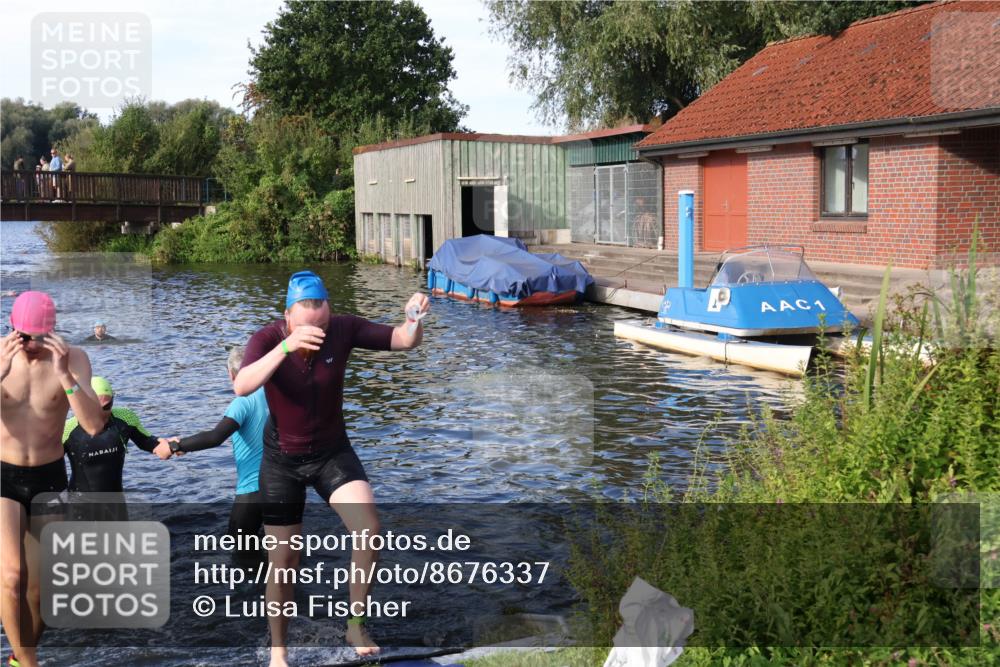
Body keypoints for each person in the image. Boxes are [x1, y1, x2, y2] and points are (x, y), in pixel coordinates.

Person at [234, 270, 428, 666]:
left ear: (330, 314)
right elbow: (242, 386)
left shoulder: (343, 329)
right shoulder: (268, 339)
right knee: (283, 562)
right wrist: (286, 347)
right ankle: (278, 652)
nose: (316, 335)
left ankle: (355, 624)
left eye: (321, 326)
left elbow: (404, 340)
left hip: (331, 453)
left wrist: (413, 319)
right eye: (306, 328)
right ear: (287, 317)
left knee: (369, 530)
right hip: (282, 460)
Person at [1, 291, 105, 667]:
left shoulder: (73, 359)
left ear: (52, 331)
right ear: (12, 328)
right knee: (12, 575)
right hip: (3, 474)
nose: (31, 345)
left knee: (43, 589)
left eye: (38, 337)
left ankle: (19, 658)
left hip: (49, 476)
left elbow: (93, 426)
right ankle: (29, 663)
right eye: (24, 336)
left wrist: (64, 376)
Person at [167, 345, 268, 553]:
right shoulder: (275, 396)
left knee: (240, 554)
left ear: (232, 375)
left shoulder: (242, 403)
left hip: (253, 491)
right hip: (284, 487)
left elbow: (216, 437)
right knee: (282, 555)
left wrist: (176, 445)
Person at [62, 375, 174, 496]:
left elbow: (149, 442)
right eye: (94, 408)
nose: (100, 413)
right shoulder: (67, 429)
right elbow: (51, 466)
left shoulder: (124, 418)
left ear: (112, 401)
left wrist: (169, 445)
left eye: (106, 406)